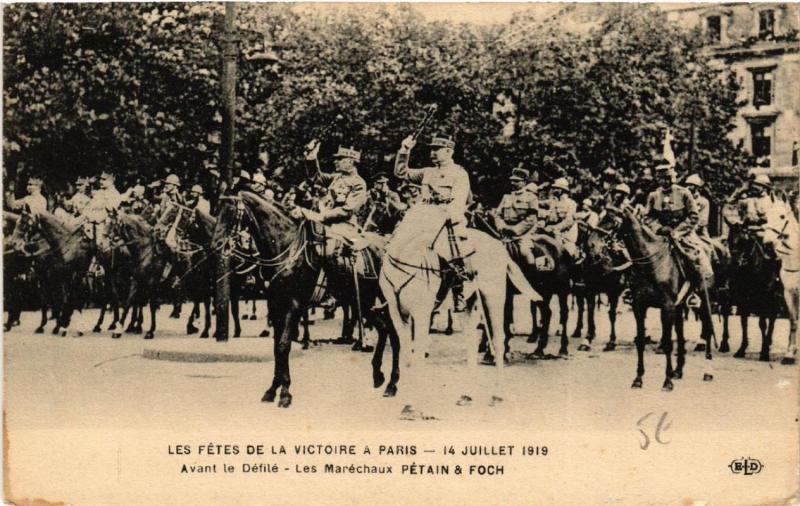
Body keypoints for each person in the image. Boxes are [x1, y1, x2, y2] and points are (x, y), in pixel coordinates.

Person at [390, 132, 474, 279]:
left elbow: (458, 204)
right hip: (422, 215)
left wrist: (438, 216)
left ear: (449, 151)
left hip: (446, 219)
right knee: (397, 237)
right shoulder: (428, 172)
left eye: (437, 149)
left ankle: (458, 289)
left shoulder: (459, 173)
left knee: (454, 254)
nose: (432, 153)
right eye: (432, 149)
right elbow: (401, 173)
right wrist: (404, 151)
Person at [644, 163, 712, 304]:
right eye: (661, 179)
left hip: (684, 234)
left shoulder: (684, 193)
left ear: (672, 178)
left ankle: (695, 291)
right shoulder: (653, 195)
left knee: (696, 256)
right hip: (661, 235)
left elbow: (694, 216)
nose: (664, 182)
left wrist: (678, 231)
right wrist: (659, 229)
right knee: (644, 256)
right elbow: (647, 217)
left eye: (667, 178)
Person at [291, 143, 368, 244]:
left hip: (344, 227)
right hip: (324, 222)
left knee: (329, 250)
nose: (335, 161)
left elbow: (348, 210)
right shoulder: (336, 177)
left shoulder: (359, 183)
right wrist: (312, 159)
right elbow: (316, 177)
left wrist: (322, 216)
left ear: (350, 161)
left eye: (340, 159)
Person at [493, 167, 539, 264]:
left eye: (517, 181)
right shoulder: (506, 197)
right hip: (505, 233)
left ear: (524, 182)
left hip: (523, 234)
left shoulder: (531, 198)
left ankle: (533, 275)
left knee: (525, 251)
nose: (513, 183)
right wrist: (501, 226)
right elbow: (498, 214)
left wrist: (515, 229)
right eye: (512, 181)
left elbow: (531, 219)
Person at [543, 176, 580, 261]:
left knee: (560, 254)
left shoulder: (571, 203)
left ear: (562, 190)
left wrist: (553, 228)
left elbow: (568, 221)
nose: (554, 190)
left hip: (564, 235)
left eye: (556, 188)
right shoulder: (552, 201)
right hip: (548, 229)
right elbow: (538, 203)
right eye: (554, 188)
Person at [684, 174, 710, 238]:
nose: (688, 187)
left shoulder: (703, 201)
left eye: (691, 185)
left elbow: (703, 220)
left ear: (697, 187)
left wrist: (692, 229)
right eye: (687, 185)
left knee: (706, 246)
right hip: (683, 229)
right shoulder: (683, 200)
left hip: (699, 232)